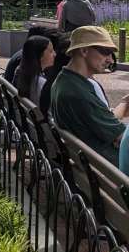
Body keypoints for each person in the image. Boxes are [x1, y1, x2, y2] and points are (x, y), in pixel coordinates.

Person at [50, 26, 129, 170]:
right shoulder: (78, 92)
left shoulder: (64, 81)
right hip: (111, 169)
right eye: (105, 52)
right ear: (84, 50)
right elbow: (122, 138)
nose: (110, 60)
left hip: (92, 166)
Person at [13, 35, 56, 106]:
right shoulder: (40, 83)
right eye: (51, 51)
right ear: (40, 55)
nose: (55, 54)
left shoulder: (21, 71)